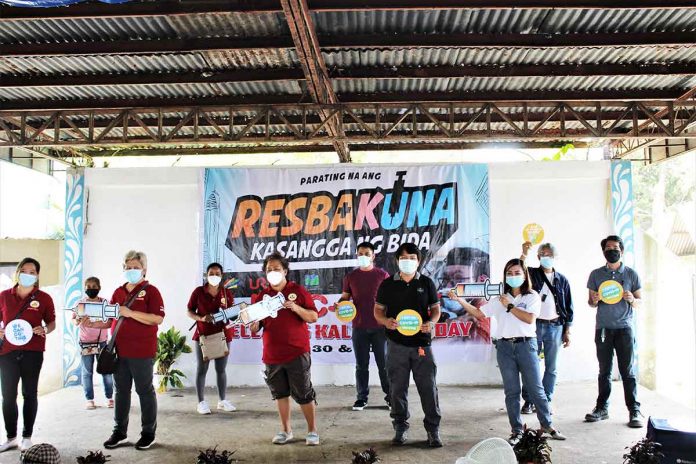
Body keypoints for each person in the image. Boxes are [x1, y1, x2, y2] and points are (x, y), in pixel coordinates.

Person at [448, 258, 567, 445]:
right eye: (509, 273)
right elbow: (479, 314)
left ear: (525, 275)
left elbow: (529, 319)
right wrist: (460, 300)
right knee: (512, 392)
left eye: (517, 273)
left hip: (527, 346)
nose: (513, 276)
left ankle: (547, 425)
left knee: (536, 390)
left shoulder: (532, 297)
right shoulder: (499, 299)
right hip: (504, 347)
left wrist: (509, 306)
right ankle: (516, 430)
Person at [374, 242, 443, 448]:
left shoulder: (427, 283)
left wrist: (431, 323)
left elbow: (436, 311)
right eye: (403, 258)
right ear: (397, 261)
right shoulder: (387, 285)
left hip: (422, 345)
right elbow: (378, 311)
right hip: (396, 345)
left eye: (412, 258)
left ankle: (433, 429)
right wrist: (386, 322)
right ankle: (400, 427)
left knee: (428, 389)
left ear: (418, 261)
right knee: (397, 389)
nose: (408, 262)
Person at [250, 252, 320, 446]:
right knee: (280, 394)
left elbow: (313, 317)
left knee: (304, 393)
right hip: (272, 355)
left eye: (276, 269)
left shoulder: (297, 291)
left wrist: (295, 308)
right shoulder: (262, 297)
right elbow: (257, 324)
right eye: (269, 270)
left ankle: (312, 431)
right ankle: (285, 430)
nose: (273, 272)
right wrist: (255, 325)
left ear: (285, 271)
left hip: (297, 352)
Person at [103, 250, 165, 451]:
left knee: (144, 391)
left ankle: (148, 433)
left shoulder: (152, 291)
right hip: (119, 351)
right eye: (128, 267)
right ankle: (119, 432)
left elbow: (157, 318)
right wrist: (90, 322)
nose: (131, 271)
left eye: (135, 268)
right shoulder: (118, 292)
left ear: (144, 270)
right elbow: (111, 320)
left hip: (142, 351)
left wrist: (130, 312)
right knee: (120, 392)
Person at [584, 235, 644, 428]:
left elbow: (639, 302)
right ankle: (602, 408)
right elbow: (591, 303)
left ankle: (634, 410)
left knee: (628, 371)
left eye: (615, 247)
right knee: (604, 371)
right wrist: (594, 299)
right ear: (604, 252)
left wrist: (631, 299)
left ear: (622, 251)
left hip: (625, 329)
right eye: (608, 248)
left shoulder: (631, 274)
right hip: (603, 329)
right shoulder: (595, 275)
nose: (612, 250)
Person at [0, 258, 56, 453]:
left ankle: (26, 437)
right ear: (17, 272)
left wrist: (44, 329)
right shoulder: (4, 296)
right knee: (8, 396)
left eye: (32, 272)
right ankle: (10, 437)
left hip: (33, 351)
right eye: (24, 270)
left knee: (30, 393)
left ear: (37, 276)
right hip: (7, 352)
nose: (27, 274)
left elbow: (51, 323)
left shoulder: (44, 298)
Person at [519, 242, 573, 415]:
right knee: (530, 365)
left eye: (549, 254)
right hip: (534, 326)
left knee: (551, 367)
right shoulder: (533, 274)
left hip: (556, 327)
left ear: (555, 258)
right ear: (538, 257)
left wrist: (567, 330)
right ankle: (528, 401)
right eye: (543, 254)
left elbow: (569, 307)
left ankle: (546, 400)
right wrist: (524, 254)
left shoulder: (562, 280)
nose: (546, 257)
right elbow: (519, 271)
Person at [337, 241, 390, 411]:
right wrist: (339, 305)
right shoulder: (351, 277)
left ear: (373, 256)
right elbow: (345, 298)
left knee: (384, 365)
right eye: (360, 253)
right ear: (357, 255)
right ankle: (361, 398)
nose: (363, 256)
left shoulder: (382, 275)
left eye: (367, 254)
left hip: (380, 327)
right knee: (361, 365)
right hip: (359, 327)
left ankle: (391, 397)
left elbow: (392, 299)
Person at [187, 262, 236, 415]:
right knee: (202, 369)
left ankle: (222, 400)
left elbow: (233, 313)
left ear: (222, 276)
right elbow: (189, 311)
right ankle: (201, 402)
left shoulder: (226, 293)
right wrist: (201, 318)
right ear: (206, 275)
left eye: (217, 273)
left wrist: (231, 313)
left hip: (223, 335)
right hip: (203, 335)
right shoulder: (199, 292)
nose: (214, 276)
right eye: (211, 273)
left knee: (221, 369)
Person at [73, 277, 114, 410]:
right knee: (87, 372)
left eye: (94, 286)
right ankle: (89, 399)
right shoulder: (80, 303)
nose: (91, 289)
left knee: (106, 371)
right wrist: (78, 321)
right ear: (85, 288)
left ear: (99, 287)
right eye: (88, 286)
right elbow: (74, 321)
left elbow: (109, 322)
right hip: (85, 343)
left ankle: (110, 398)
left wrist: (94, 324)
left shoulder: (104, 302)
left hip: (102, 342)